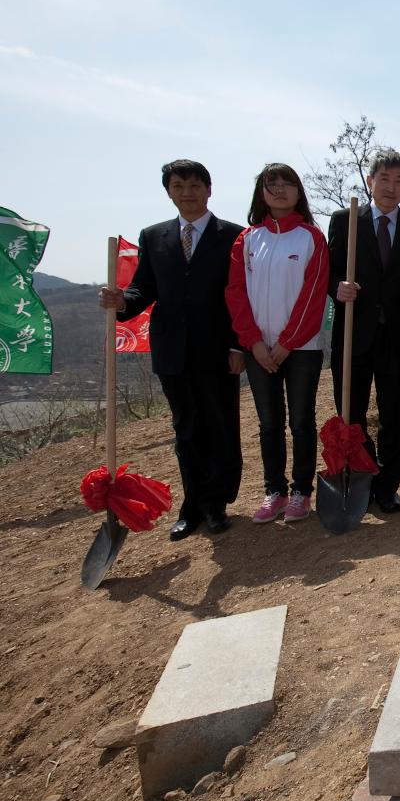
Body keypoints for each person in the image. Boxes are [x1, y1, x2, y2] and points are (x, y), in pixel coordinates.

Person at [98, 160, 244, 542]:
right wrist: (121, 300)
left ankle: (217, 503)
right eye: (178, 186)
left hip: (217, 348)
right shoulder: (153, 236)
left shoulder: (233, 235)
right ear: (168, 192)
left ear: (209, 190)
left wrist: (236, 344)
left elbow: (240, 296)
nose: (187, 192)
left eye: (195, 185)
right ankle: (192, 505)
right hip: (172, 349)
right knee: (186, 428)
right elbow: (143, 288)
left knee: (220, 425)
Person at [225, 163, 329, 523]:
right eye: (272, 184)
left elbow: (314, 295)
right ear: (262, 193)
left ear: (299, 191)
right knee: (269, 423)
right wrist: (252, 343)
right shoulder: (247, 240)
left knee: (301, 421)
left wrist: (287, 342)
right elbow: (235, 294)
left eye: (288, 183)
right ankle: (275, 491)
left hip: (301, 349)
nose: (280, 189)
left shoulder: (311, 237)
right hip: (258, 350)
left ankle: (302, 492)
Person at [327, 149, 400, 513]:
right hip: (354, 332)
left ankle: (388, 484)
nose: (391, 187)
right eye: (384, 179)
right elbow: (329, 271)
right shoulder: (345, 221)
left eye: (399, 180)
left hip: (398, 338)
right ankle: (362, 475)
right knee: (350, 411)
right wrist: (338, 288)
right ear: (371, 181)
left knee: (395, 414)